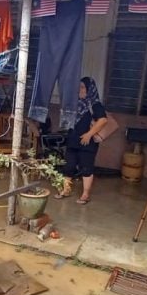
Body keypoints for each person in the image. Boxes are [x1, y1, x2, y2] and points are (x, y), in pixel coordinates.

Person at [55, 76, 108, 204]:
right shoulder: (75, 103)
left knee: (86, 168)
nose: (80, 89)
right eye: (78, 87)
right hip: (73, 139)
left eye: (83, 87)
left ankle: (85, 194)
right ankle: (66, 190)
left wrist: (89, 134)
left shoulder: (94, 104)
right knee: (69, 166)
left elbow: (103, 120)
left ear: (90, 89)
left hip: (87, 142)